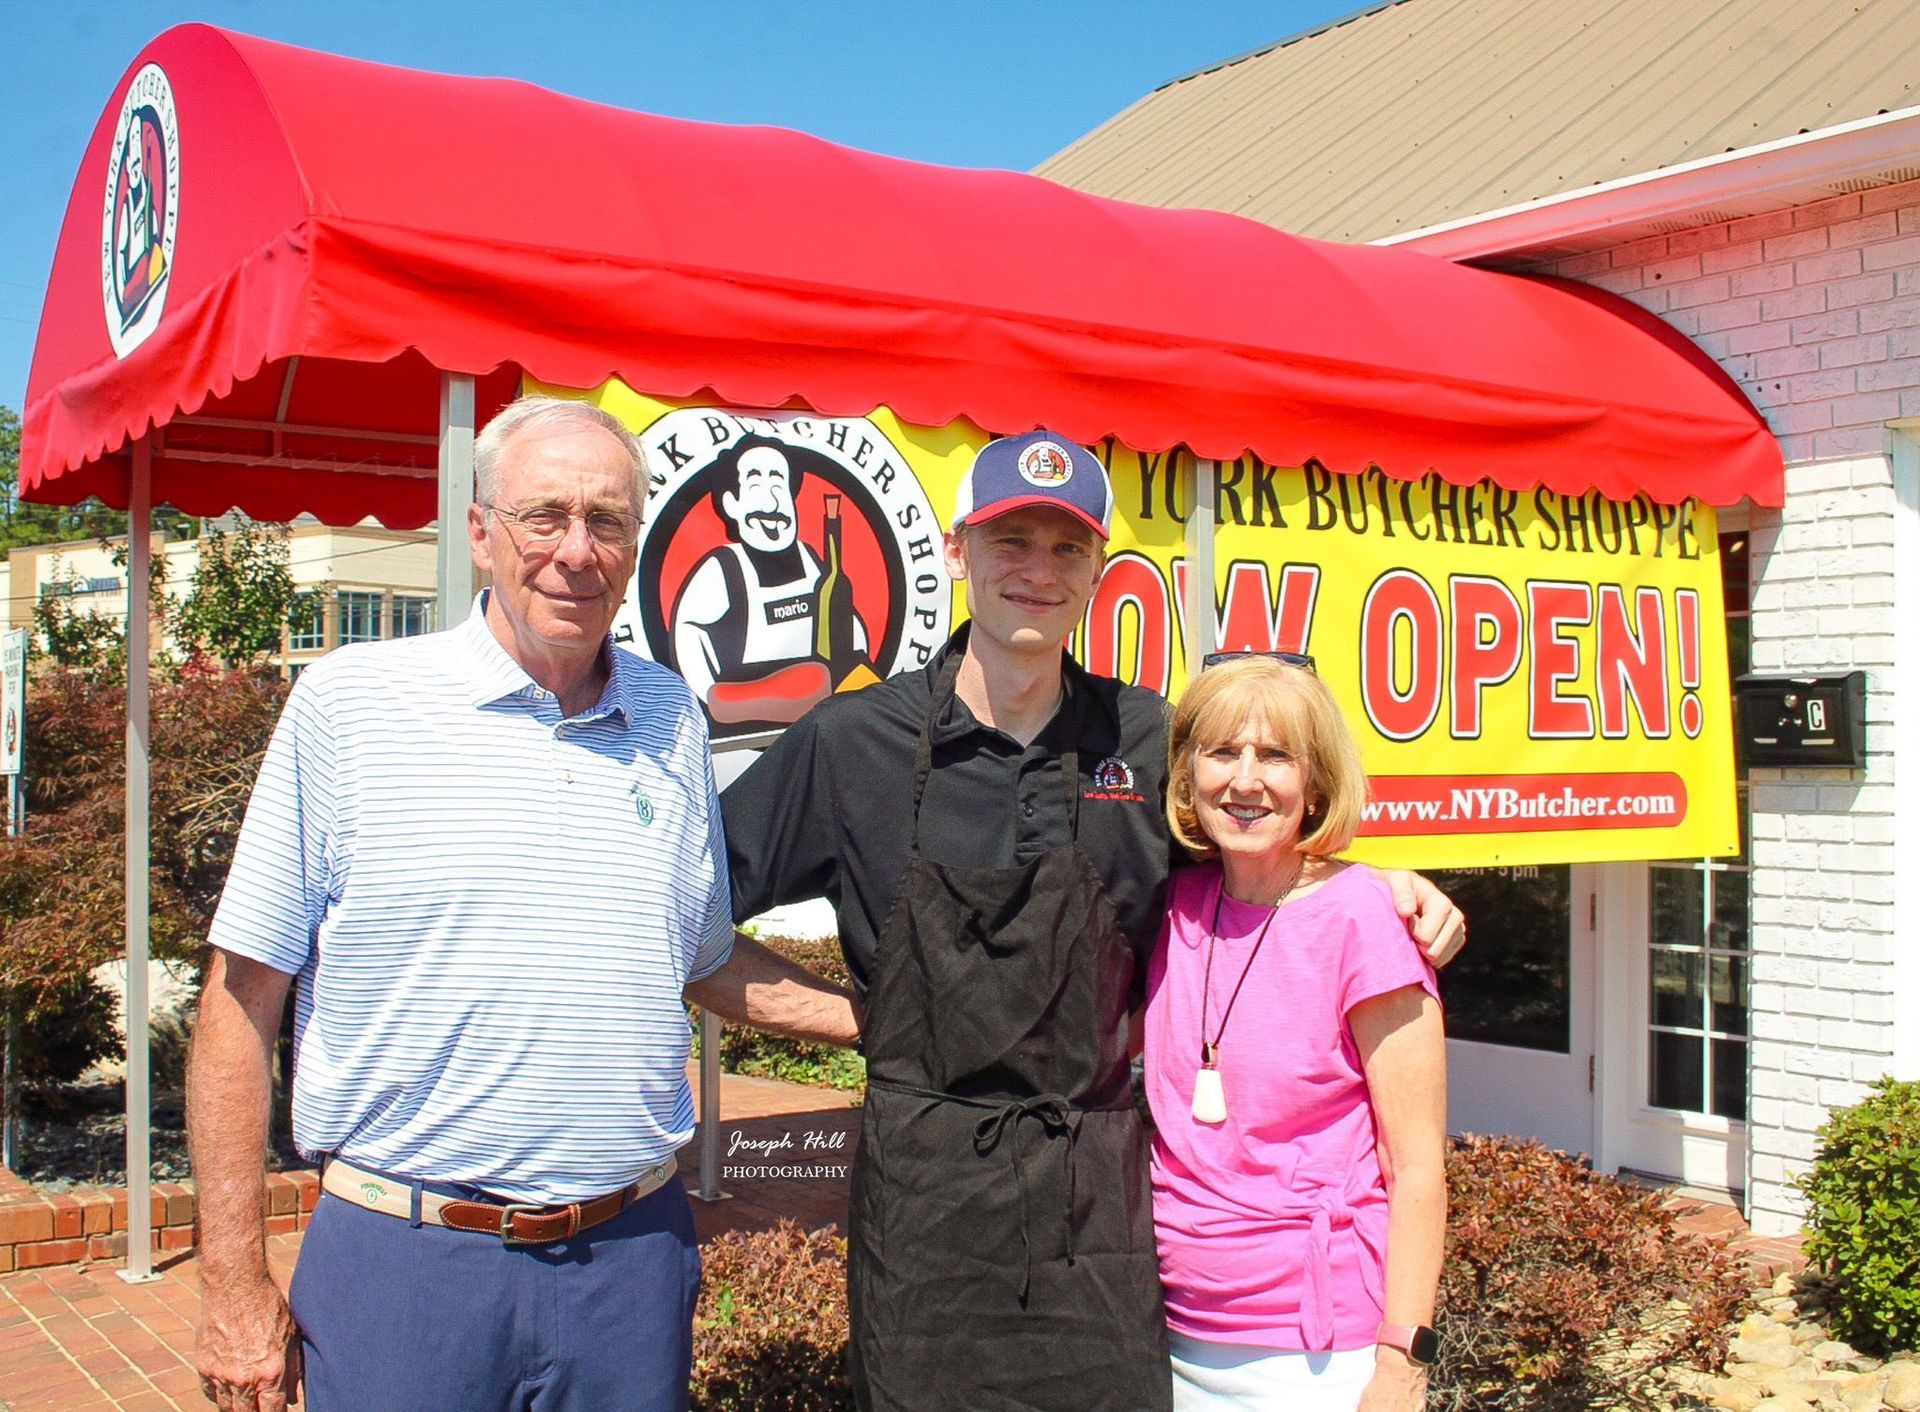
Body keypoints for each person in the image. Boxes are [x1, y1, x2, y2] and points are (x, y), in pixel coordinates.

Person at [721, 430, 1464, 1412]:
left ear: (1100, 570)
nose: (1038, 568)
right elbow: (678, 932)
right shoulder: (851, 741)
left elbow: (1266, 842)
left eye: (1067, 546)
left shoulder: (1151, 739)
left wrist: (1379, 880)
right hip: (924, 1222)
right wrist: (850, 1017)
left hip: (1101, 1215)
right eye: (1011, 539)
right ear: (957, 551)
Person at [189, 395, 856, 1412]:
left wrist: (882, 1023)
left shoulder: (671, 714)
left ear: (638, 541)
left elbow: (703, 956)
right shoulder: (351, 705)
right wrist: (230, 1281)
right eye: (544, 515)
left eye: (608, 520)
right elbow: (240, 1003)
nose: (575, 551)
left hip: (629, 1264)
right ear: (480, 531)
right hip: (409, 1267)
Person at [1146, 655, 1447, 1412]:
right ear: (1186, 776)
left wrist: (1403, 1366)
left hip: (1316, 1359)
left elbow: (1415, 1167)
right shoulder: (1171, 903)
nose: (1245, 781)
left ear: (1314, 783)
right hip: (1164, 1337)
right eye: (1221, 752)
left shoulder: (1364, 920)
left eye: (1276, 756)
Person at [671, 432, 870, 725]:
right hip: (744, 721)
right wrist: (712, 697)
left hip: (820, 719)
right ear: (731, 504)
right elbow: (689, 633)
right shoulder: (723, 567)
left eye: (779, 482)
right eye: (755, 483)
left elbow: (846, 620)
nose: (772, 500)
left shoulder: (810, 558)